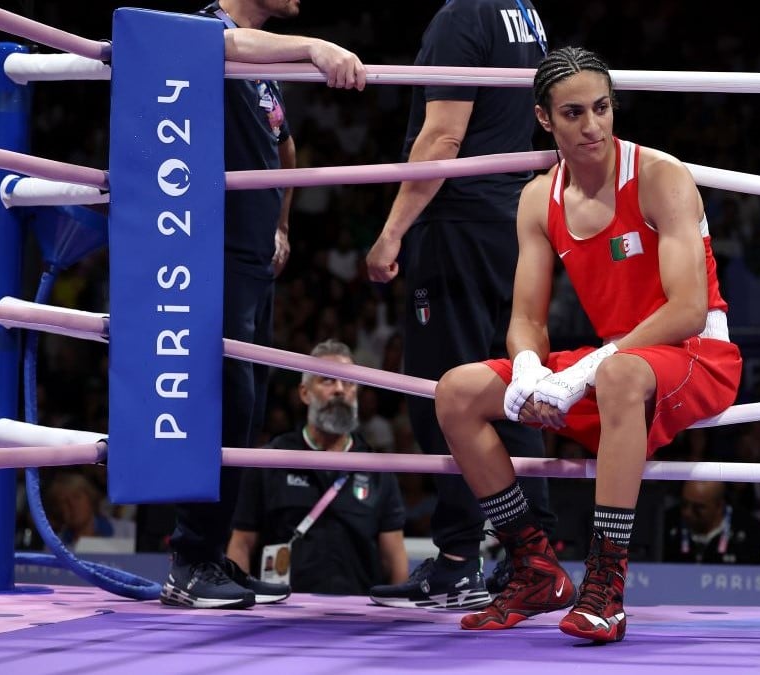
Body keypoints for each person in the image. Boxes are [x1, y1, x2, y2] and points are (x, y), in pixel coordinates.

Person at [432, 46, 742, 643]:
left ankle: (607, 587)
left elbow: (686, 309)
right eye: (574, 113)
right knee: (457, 392)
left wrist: (588, 371)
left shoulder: (660, 176)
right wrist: (527, 370)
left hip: (696, 354)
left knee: (620, 373)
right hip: (621, 362)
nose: (593, 125)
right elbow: (526, 316)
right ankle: (534, 566)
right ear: (545, 119)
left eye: (602, 108)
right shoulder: (537, 198)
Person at [160, 0, 368, 610]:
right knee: (220, 402)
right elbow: (214, 49)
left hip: (254, 257)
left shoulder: (265, 59)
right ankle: (188, 559)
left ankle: (210, 553)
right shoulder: (206, 29)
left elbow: (285, 142)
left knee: (245, 412)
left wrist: (281, 224)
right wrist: (315, 46)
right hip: (210, 249)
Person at [364, 0, 555, 611]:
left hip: (459, 223)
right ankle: (529, 555)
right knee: (507, 386)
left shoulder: (463, 15)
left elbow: (444, 134)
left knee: (447, 394)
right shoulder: (523, 13)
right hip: (509, 219)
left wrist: (392, 230)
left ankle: (461, 560)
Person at [226, 340, 408, 595]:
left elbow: (394, 560)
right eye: (328, 380)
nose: (340, 390)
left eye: (348, 382)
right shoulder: (270, 460)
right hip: (280, 616)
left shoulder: (377, 469)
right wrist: (240, 608)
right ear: (304, 393)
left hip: (358, 616)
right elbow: (242, 545)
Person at [662, 481, 760, 565]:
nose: (687, 512)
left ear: (719, 506)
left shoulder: (751, 530)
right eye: (684, 504)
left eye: (698, 507)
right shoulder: (666, 523)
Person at [47, 471, 135, 549]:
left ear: (90, 498)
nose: (72, 505)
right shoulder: (53, 546)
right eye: (64, 501)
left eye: (77, 497)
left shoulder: (127, 531)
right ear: (58, 509)